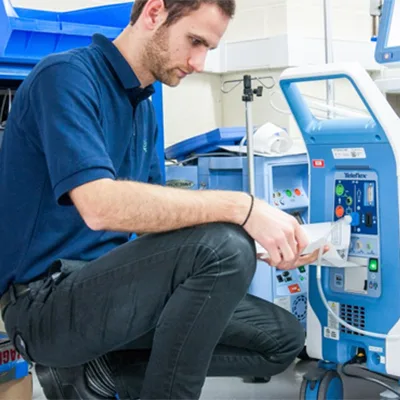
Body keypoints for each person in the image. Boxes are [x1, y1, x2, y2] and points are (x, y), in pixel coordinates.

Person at [0, 0, 323, 399]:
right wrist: (242, 209)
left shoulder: (143, 109)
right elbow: (100, 207)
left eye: (208, 48)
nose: (200, 62)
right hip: (43, 306)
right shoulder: (66, 77)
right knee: (224, 246)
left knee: (282, 338)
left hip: (108, 294)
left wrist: (263, 240)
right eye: (195, 41)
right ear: (154, 13)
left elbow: (155, 219)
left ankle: (96, 376)